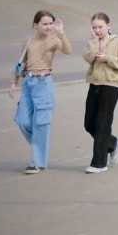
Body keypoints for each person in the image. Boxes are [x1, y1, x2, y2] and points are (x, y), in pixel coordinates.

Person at [9, 10, 72, 174]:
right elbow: (21, 63)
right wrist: (13, 82)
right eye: (45, 24)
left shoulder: (54, 40)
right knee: (22, 120)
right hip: (28, 84)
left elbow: (68, 50)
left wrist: (61, 32)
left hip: (44, 83)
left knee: (41, 124)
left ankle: (37, 163)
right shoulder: (27, 41)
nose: (48, 27)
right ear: (35, 25)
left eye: (50, 24)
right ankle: (40, 145)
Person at [81, 12, 118, 174]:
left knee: (102, 124)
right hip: (94, 85)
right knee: (89, 123)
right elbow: (87, 58)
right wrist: (94, 41)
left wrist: (108, 58)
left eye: (100, 27)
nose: (97, 30)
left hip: (110, 86)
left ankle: (99, 163)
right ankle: (113, 143)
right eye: (94, 27)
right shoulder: (93, 42)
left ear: (109, 25)